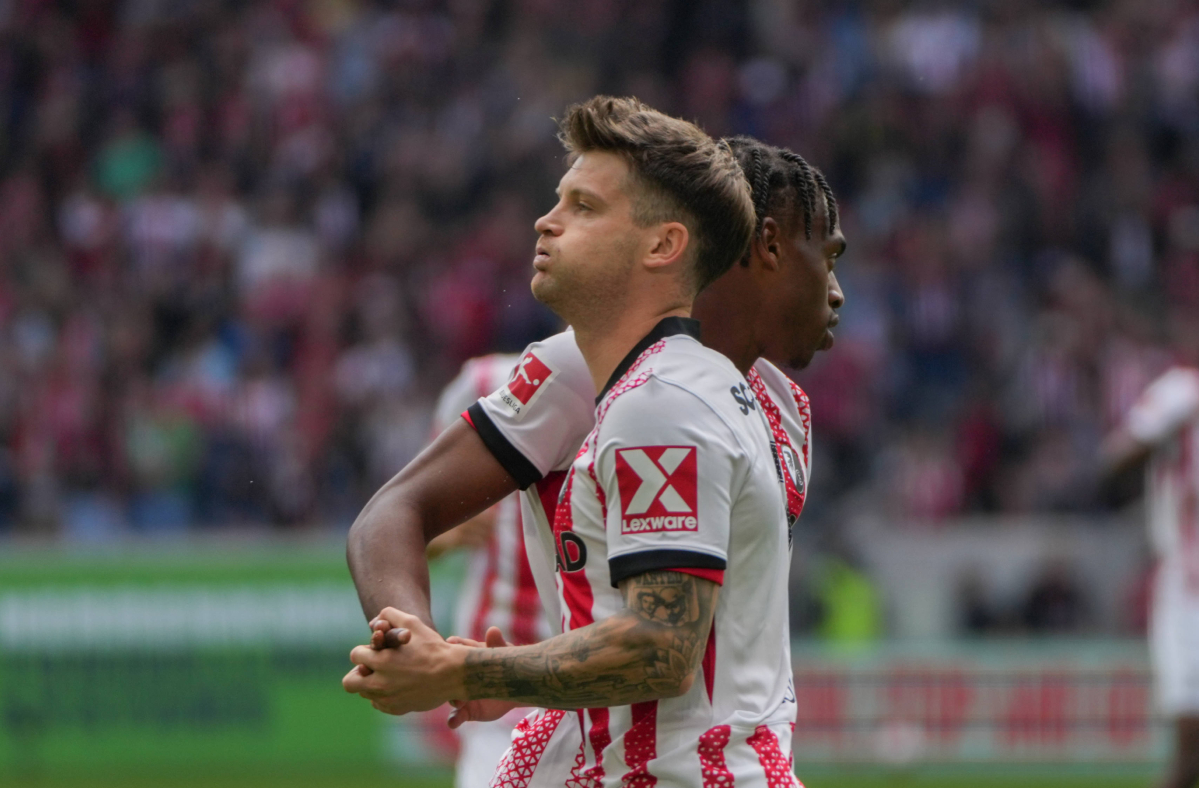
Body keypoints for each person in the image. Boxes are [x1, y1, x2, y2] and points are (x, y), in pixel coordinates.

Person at [344, 95, 841, 787]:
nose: (544, 222)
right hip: (619, 753)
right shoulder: (595, 373)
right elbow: (397, 511)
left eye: (582, 206)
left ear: (667, 245)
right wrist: (422, 648)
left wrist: (463, 668)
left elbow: (666, 645)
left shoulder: (685, 397)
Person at [1103, 301, 1199, 788]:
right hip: (1194, 592)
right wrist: (1181, 419)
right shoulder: (1182, 392)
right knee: (1195, 752)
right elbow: (1113, 465)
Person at [426, 353, 554, 788]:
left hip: (591, 676)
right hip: (493, 663)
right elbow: (412, 519)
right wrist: (447, 532)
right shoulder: (485, 382)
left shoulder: (636, 388)